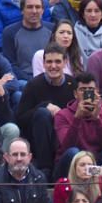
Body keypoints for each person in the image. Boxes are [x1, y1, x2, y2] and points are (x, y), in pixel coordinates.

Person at [15, 43, 76, 181]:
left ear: (65, 62)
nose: (53, 66)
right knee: (43, 114)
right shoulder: (34, 85)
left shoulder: (74, 85)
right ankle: (45, 169)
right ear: (43, 63)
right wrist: (43, 106)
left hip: (64, 140)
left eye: (57, 61)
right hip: (39, 141)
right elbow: (20, 119)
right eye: (49, 61)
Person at [54, 72, 102, 178]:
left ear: (96, 92)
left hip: (95, 167)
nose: (87, 93)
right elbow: (66, 147)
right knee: (73, 152)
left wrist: (97, 120)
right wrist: (77, 118)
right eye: (83, 90)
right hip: (70, 168)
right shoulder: (62, 115)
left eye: (91, 90)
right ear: (75, 93)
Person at [0, 137, 52, 203]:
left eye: (23, 154)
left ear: (29, 157)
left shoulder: (39, 178)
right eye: (15, 154)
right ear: (6, 157)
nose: (19, 159)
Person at [1, 0, 53, 82]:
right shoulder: (9, 32)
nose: (34, 11)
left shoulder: (53, 30)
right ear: (22, 10)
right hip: (23, 81)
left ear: (43, 10)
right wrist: (32, 81)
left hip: (49, 78)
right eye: (29, 7)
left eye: (37, 7)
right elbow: (11, 64)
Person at [74, 0, 102, 67]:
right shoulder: (74, 33)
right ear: (83, 14)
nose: (93, 15)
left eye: (97, 11)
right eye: (89, 11)